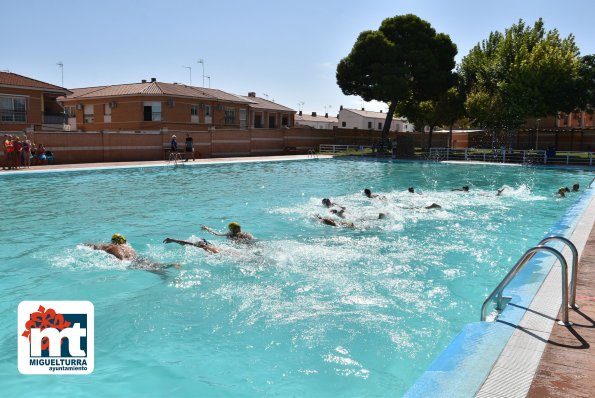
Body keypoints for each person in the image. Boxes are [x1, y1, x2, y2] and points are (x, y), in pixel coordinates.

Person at [86, 233, 181, 273]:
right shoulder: (128, 247)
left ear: (113, 241)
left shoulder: (111, 246)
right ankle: (170, 265)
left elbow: (95, 246)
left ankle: (167, 271)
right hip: (139, 258)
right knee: (156, 265)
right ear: (124, 241)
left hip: (130, 262)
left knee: (153, 270)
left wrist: (85, 245)